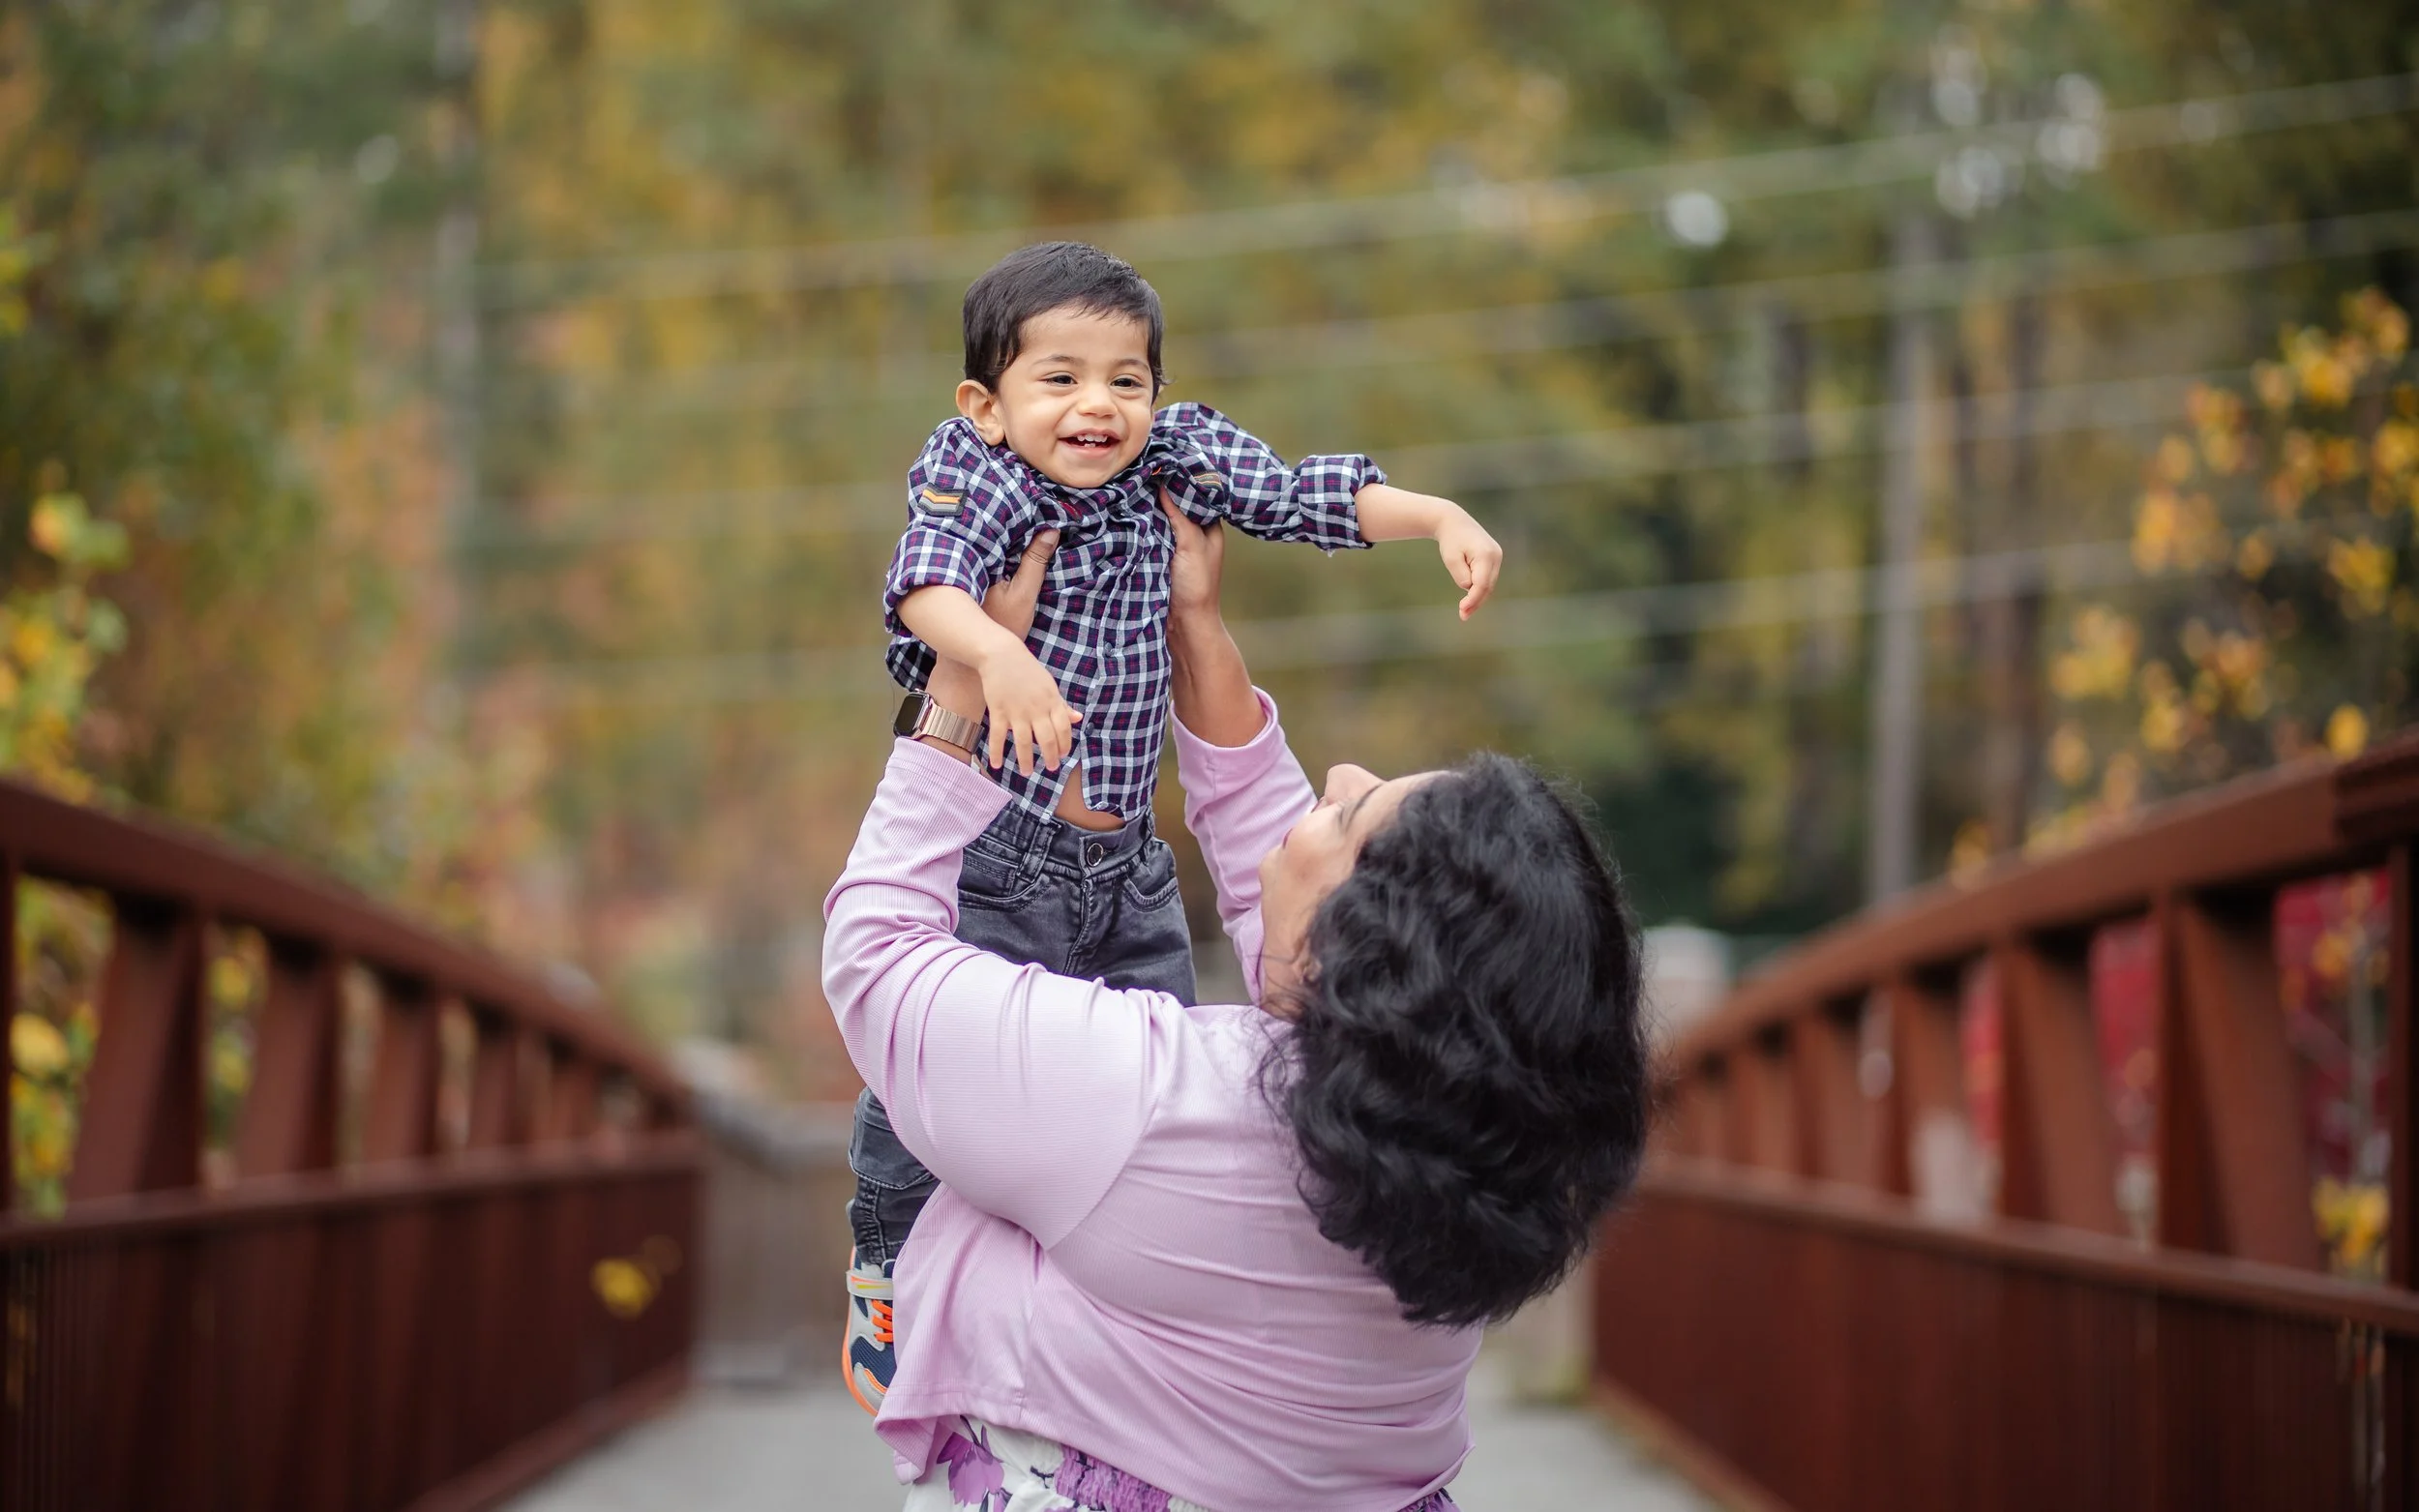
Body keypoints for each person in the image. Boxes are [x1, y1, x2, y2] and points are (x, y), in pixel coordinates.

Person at [821, 493, 1649, 1511]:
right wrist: (1199, 637)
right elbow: (1296, 937)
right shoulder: (1471, 1146)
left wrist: (961, 682)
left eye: (1350, 812)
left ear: (1360, 959)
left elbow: (877, 960)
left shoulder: (1148, 1100)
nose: (1338, 772)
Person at [847, 238, 1505, 1410]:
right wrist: (996, 653)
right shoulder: (974, 470)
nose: (1097, 406)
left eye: (1126, 380)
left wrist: (1433, 515)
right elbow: (924, 583)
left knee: (1148, 1106)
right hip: (1000, 856)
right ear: (985, 404)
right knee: (923, 1094)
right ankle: (885, 1269)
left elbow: (1299, 494)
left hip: (1128, 871)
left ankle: (1102, 1311)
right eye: (1059, 379)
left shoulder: (1177, 457)